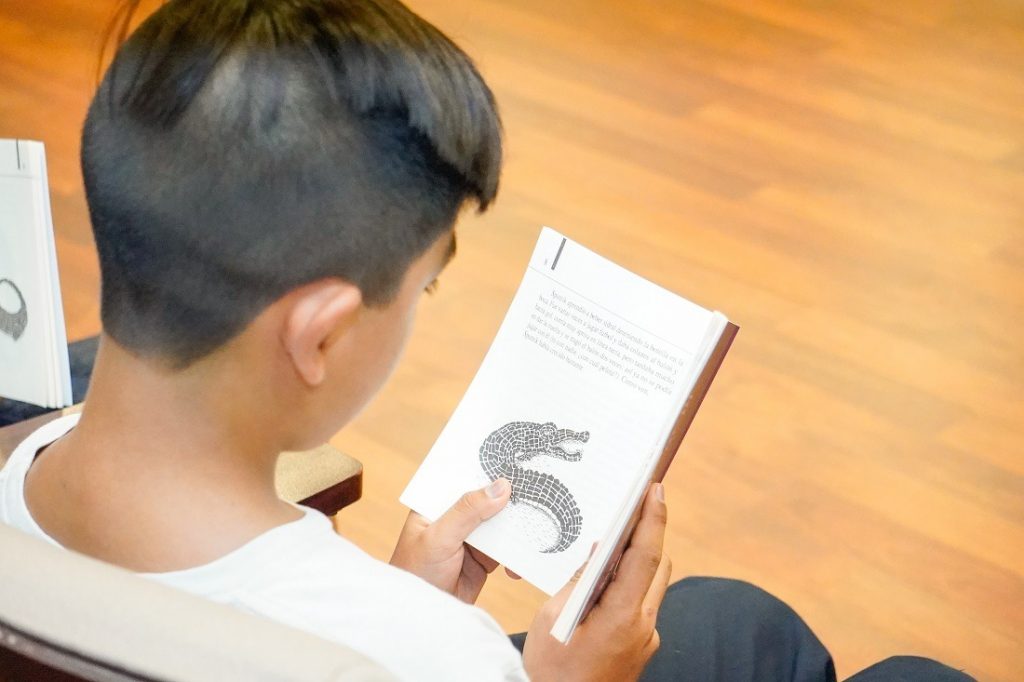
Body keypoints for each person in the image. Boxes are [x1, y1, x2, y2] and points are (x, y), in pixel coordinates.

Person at [0, 1, 974, 680]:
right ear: (321, 336)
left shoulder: (21, 466)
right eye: (424, 283)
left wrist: (393, 598)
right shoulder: (428, 657)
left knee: (732, 624)